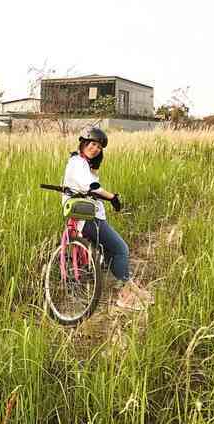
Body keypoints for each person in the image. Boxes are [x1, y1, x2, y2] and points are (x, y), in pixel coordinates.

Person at [61, 126, 141, 309]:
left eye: (99, 147)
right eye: (93, 143)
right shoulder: (77, 162)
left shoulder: (83, 164)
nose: (95, 148)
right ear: (84, 142)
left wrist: (96, 171)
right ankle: (125, 295)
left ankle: (131, 287)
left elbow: (89, 184)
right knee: (121, 249)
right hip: (88, 219)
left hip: (88, 216)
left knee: (110, 251)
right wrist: (112, 197)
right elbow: (91, 186)